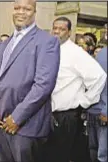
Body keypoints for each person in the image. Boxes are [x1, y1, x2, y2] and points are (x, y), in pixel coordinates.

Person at [0, 0, 60, 162]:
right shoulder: (5, 43)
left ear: (34, 12)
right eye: (17, 8)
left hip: (26, 127)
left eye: (27, 9)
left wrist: (17, 117)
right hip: (1, 124)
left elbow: (43, 86)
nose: (21, 12)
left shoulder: (47, 41)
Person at [42, 16, 107, 162]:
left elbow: (99, 76)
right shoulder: (50, 49)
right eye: (55, 28)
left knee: (60, 156)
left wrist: (84, 102)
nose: (57, 32)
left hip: (66, 116)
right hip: (48, 114)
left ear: (69, 32)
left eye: (62, 29)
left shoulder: (75, 53)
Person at [87, 47, 107, 162]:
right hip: (93, 109)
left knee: (102, 155)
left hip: (103, 111)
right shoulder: (102, 53)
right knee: (93, 150)